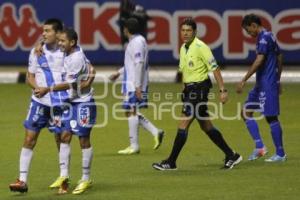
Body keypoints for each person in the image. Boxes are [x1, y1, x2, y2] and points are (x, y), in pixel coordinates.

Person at [152, 17, 242, 171]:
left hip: (200, 89)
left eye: (189, 30)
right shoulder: (183, 48)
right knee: (206, 125)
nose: (185, 33)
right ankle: (231, 155)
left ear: (194, 32)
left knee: (183, 123)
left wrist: (222, 90)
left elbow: (215, 68)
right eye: (183, 30)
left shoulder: (201, 46)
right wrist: (184, 89)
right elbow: (184, 71)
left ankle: (171, 162)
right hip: (190, 90)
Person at [35, 27, 97, 194]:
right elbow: (92, 68)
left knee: (83, 139)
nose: (59, 44)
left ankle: (86, 178)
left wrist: (48, 89)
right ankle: (63, 175)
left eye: (62, 41)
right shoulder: (72, 50)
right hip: (71, 101)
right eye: (59, 40)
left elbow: (69, 84)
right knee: (64, 135)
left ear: (72, 42)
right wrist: (40, 43)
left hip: (84, 102)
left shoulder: (75, 58)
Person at [9, 18, 66, 193]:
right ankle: (22, 181)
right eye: (43, 30)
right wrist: (37, 89)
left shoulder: (67, 52)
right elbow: (30, 77)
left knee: (60, 141)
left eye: (48, 31)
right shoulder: (36, 52)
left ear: (58, 33)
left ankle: (64, 180)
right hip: (39, 102)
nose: (43, 33)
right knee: (29, 139)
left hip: (59, 103)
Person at [110, 18, 164, 155]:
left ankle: (134, 146)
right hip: (133, 83)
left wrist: (138, 86)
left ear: (126, 29)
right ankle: (155, 131)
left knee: (131, 111)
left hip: (135, 84)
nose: (123, 30)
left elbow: (139, 64)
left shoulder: (137, 42)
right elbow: (132, 63)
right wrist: (119, 72)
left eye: (124, 28)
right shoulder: (137, 41)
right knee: (129, 111)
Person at [236, 13, 286, 162]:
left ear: (254, 25)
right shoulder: (269, 35)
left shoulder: (264, 38)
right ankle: (260, 148)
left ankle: (281, 153)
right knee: (245, 112)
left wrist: (243, 79)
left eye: (248, 30)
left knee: (271, 117)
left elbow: (259, 60)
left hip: (267, 85)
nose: (248, 33)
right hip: (261, 84)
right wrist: (278, 78)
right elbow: (280, 56)